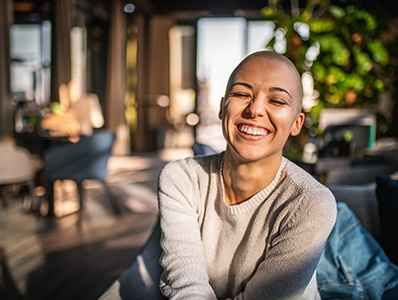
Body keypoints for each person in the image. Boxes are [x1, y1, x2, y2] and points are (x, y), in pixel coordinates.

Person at [158, 50, 337, 300]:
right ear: (222, 109)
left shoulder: (311, 203)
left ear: (297, 123)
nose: (255, 110)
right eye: (242, 94)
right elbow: (186, 287)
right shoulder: (181, 179)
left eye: (276, 100)